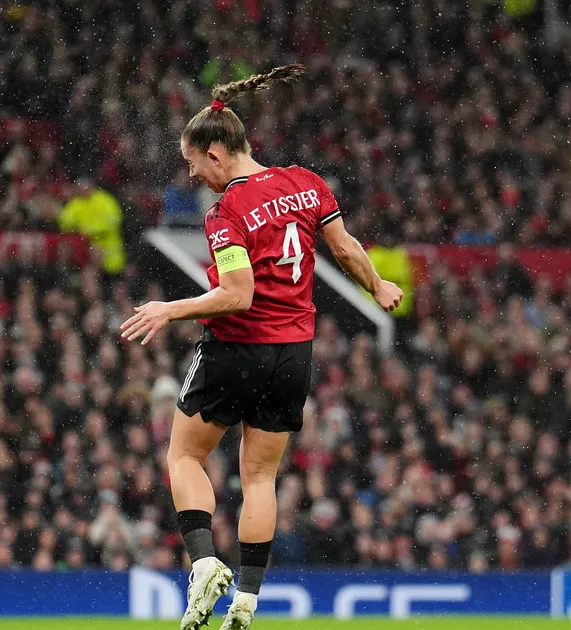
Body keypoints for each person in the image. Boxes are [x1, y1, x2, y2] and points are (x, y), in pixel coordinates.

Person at [120, 65, 403, 630]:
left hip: (238, 348)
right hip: (293, 353)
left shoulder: (226, 212)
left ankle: (203, 562)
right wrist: (379, 286)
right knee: (259, 478)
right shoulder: (305, 182)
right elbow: (344, 249)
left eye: (192, 160)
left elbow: (237, 295)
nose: (192, 172)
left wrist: (168, 309)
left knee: (185, 455)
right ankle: (246, 600)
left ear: (216, 153)